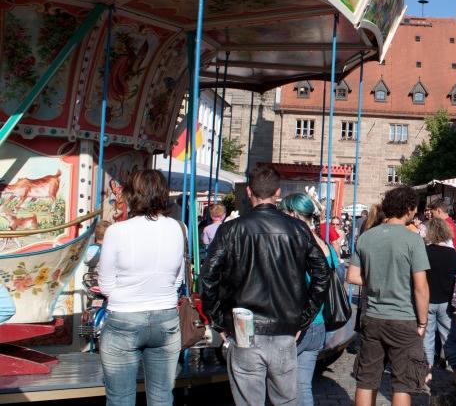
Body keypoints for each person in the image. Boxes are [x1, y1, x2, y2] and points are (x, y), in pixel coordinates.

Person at [201, 166, 329, 406]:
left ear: (249, 192)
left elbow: (208, 278)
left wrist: (218, 320)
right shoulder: (297, 228)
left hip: (244, 328)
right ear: (277, 193)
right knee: (285, 401)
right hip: (284, 327)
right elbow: (323, 275)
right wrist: (304, 316)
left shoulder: (231, 229)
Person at [97, 169, 185, 406]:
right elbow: (178, 279)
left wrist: (125, 296)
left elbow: (105, 284)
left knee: (120, 398)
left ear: (132, 195)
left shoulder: (117, 231)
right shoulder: (178, 228)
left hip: (125, 317)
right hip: (165, 316)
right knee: (162, 396)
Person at [347, 185, 430, 406]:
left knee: (366, 380)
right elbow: (421, 287)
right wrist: (423, 322)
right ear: (410, 209)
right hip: (403, 318)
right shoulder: (413, 239)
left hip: (373, 317)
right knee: (403, 383)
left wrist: (377, 278)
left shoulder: (366, 237)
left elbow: (353, 276)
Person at [281, 193, 341, 406]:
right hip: (320, 323)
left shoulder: (298, 244)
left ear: (293, 214)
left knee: (283, 387)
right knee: (303, 386)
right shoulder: (324, 244)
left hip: (299, 323)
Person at [422, 218, 456, 383]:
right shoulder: (453, 254)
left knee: (427, 337)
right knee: (449, 338)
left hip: (427, 300)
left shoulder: (424, 251)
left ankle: (428, 370)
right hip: (446, 300)